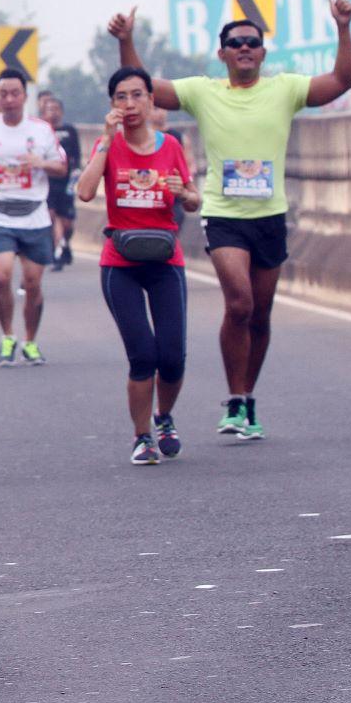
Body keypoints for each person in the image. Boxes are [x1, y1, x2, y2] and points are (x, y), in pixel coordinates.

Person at [112, 0, 351, 439]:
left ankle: (245, 400)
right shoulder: (205, 91)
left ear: (262, 53)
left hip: (270, 215)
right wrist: (127, 40)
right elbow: (143, 85)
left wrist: (342, 28)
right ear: (221, 53)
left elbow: (341, 80)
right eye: (235, 42)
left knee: (260, 316)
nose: (244, 47)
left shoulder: (285, 89)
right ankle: (234, 399)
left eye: (252, 42)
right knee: (239, 302)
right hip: (224, 215)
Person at [77, 67, 202, 464]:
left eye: (137, 96)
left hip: (166, 261)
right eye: (120, 98)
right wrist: (106, 141)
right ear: (112, 105)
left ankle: (164, 417)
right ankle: (142, 435)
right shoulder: (107, 145)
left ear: (151, 100)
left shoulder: (171, 147)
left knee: (172, 355)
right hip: (121, 263)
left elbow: (194, 200)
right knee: (142, 356)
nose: (129, 105)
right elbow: (84, 192)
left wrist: (185, 194)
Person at [0, 69, 67, 365]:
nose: (9, 99)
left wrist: (40, 162)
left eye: (15, 93)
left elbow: (61, 168)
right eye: (3, 93)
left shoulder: (41, 130)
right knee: (2, 275)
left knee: (32, 283)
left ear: (25, 96)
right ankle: (7, 335)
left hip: (34, 215)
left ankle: (30, 340)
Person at [39, 93, 81, 270]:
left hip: (66, 182)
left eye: (56, 109)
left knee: (67, 223)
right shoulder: (41, 131)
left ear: (61, 112)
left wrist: (77, 174)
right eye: (49, 109)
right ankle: (56, 252)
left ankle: (65, 244)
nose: (53, 113)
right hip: (48, 182)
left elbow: (77, 156)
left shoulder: (69, 130)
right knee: (51, 216)